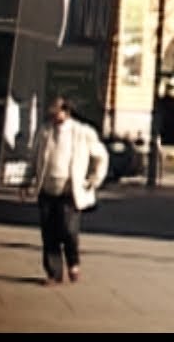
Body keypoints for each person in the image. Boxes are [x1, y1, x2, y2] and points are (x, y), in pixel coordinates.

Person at [20, 97, 109, 286]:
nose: (52, 114)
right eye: (51, 110)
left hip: (70, 191)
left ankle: (73, 262)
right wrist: (26, 181)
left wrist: (94, 179)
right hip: (47, 189)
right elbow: (34, 157)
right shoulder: (44, 131)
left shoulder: (82, 132)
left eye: (56, 110)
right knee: (49, 233)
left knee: (69, 230)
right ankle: (54, 273)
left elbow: (101, 157)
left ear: (66, 111)